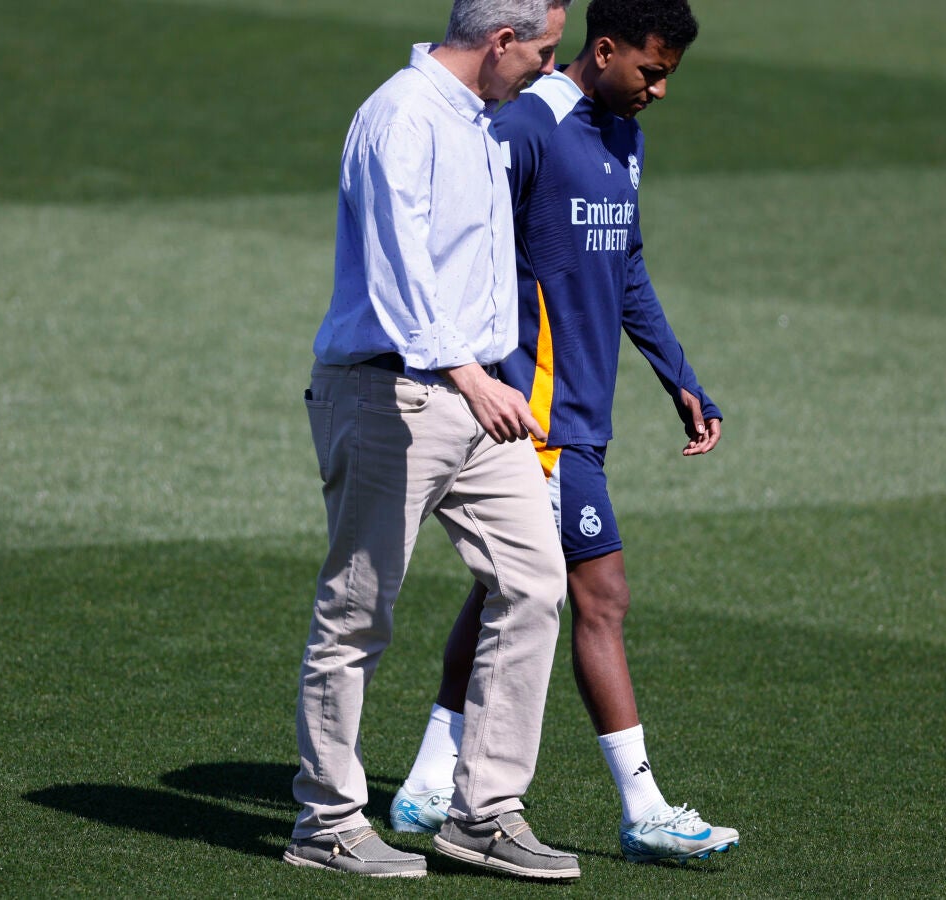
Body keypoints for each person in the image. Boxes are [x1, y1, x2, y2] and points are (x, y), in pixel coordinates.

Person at [389, 0, 740, 866]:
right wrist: (477, 371)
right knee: (600, 594)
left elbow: (626, 267)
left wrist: (678, 376)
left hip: (584, 411)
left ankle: (429, 778)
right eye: (651, 71)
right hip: (535, 415)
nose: (659, 90)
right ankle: (643, 807)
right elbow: (453, 240)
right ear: (605, 49)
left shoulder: (624, 137)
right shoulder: (528, 129)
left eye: (669, 76)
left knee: (507, 587)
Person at [283, 0, 582, 883]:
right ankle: (326, 823)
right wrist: (471, 375)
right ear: (500, 41)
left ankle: (484, 813)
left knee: (534, 584)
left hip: (476, 396)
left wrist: (488, 376)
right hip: (392, 395)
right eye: (543, 52)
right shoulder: (400, 118)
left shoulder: (480, 118)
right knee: (358, 610)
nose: (548, 68)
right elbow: (398, 267)